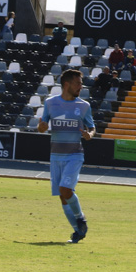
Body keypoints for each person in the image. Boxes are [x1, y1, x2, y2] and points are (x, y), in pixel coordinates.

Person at [36, 70, 95, 243]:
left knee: (65, 190)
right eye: (78, 83)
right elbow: (42, 126)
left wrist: (89, 134)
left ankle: (81, 218)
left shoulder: (84, 106)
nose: (81, 86)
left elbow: (92, 127)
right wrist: (42, 126)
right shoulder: (50, 103)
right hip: (56, 156)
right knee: (63, 196)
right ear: (67, 84)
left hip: (74, 154)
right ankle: (78, 231)